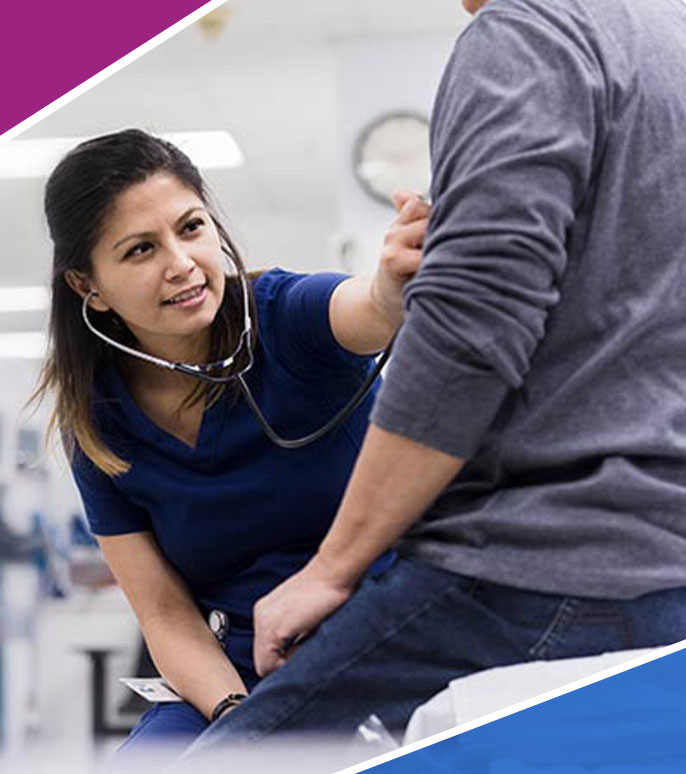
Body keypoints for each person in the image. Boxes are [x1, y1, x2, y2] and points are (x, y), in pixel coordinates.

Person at [185, 0, 686, 761]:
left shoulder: (526, 36)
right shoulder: (662, 43)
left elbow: (469, 331)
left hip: (531, 569)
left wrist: (332, 567)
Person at [31, 128, 430, 760]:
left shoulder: (283, 318)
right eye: (140, 250)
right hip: (235, 674)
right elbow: (163, 613)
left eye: (191, 228)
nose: (181, 262)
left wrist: (389, 286)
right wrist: (239, 721)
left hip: (386, 641)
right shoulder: (99, 426)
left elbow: (365, 307)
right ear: (89, 287)